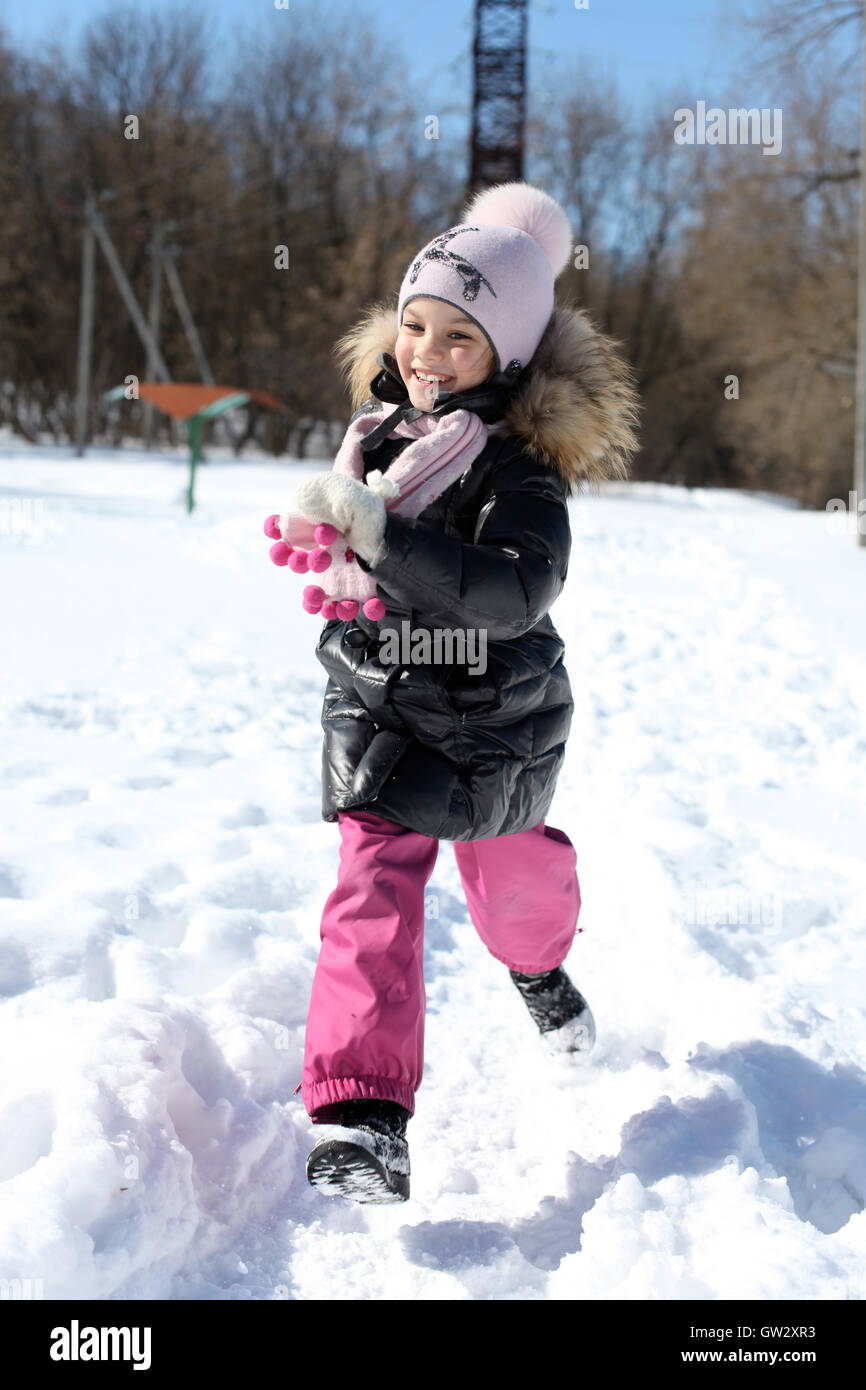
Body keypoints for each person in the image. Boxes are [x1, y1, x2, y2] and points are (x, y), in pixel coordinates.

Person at [265, 182, 640, 1204]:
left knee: (509, 887)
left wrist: (385, 538)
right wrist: (331, 545)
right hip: (382, 708)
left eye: (458, 338)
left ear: (507, 355)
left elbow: (516, 589)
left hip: (489, 720)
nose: (426, 352)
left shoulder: (520, 469)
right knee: (368, 894)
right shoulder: (378, 434)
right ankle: (362, 1113)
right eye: (414, 324)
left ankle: (538, 972)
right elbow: (358, 549)